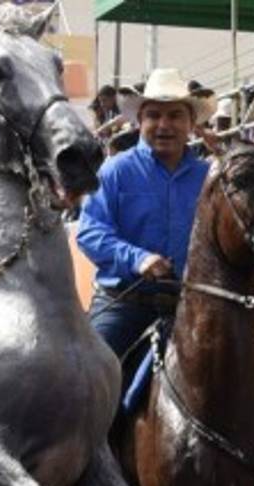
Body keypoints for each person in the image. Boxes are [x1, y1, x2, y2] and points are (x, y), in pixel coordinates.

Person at [77, 69, 215, 358]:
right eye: (154, 115)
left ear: (191, 123)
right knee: (89, 380)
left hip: (190, 305)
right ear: (139, 121)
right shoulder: (116, 170)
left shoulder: (209, 177)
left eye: (175, 115)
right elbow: (90, 233)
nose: (164, 124)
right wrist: (138, 259)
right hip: (124, 304)